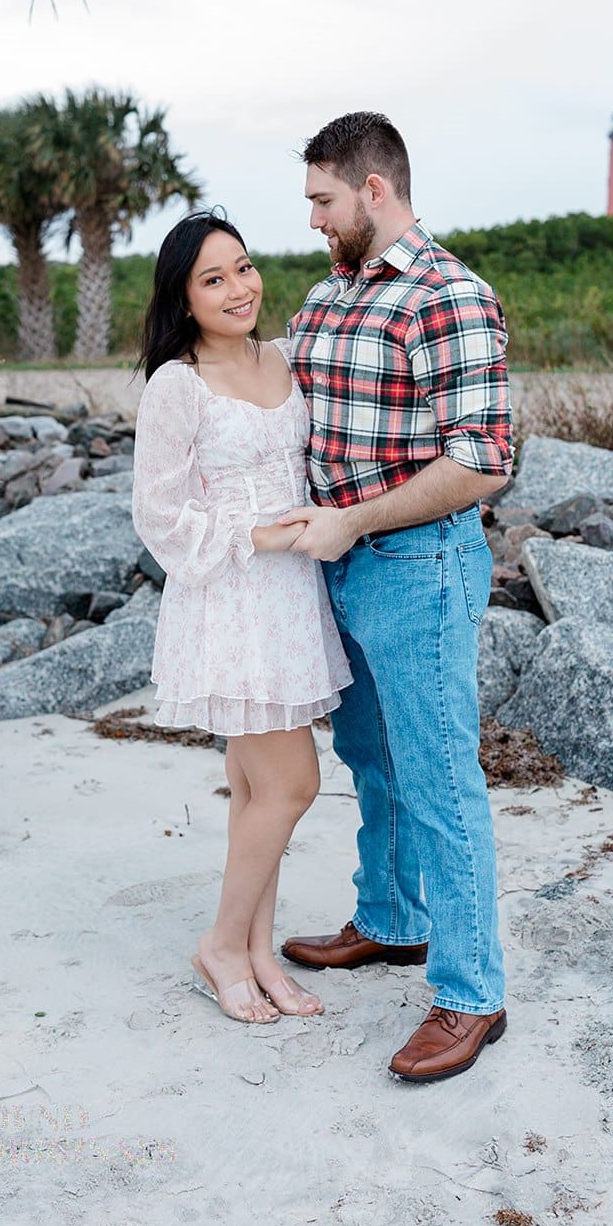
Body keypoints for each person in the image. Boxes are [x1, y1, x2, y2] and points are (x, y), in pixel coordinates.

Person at [277, 111, 514, 1083]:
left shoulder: (449, 296)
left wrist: (356, 521)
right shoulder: (325, 295)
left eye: (321, 201)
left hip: (415, 565)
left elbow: (481, 463)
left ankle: (470, 994)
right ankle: (389, 920)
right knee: (369, 755)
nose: (311, 220)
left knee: (436, 779)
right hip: (333, 566)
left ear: (373, 190)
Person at [131, 209, 353, 1026]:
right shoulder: (177, 383)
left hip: (291, 601)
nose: (238, 288)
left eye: (244, 268)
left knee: (256, 786)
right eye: (212, 279)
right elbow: (155, 515)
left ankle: (257, 953)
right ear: (183, 299)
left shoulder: (285, 357)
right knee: (294, 782)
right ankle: (223, 944)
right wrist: (258, 535)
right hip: (230, 599)